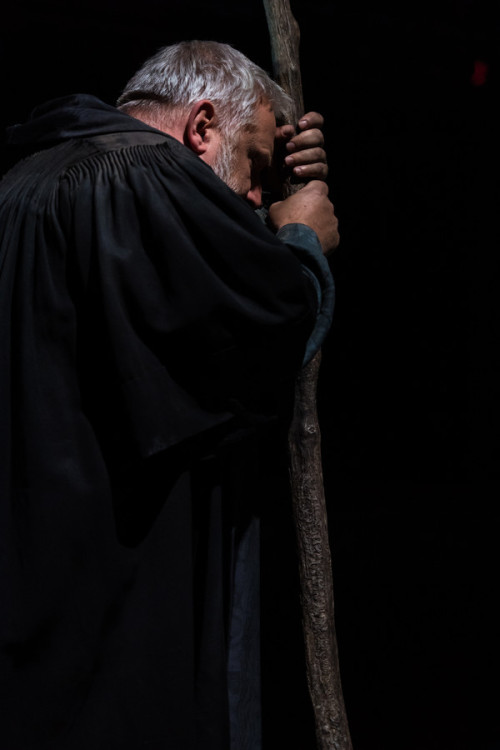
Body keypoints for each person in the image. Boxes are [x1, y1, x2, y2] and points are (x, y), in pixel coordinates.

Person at [0, 40, 338, 749]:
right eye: (255, 166)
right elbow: (256, 332)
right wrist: (302, 239)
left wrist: (275, 187)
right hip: (107, 614)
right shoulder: (146, 177)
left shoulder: (26, 181)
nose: (255, 198)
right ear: (204, 127)